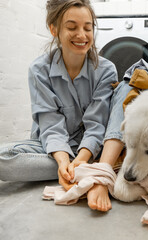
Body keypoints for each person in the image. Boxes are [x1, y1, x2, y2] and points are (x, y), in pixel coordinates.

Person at [0, 0, 124, 212]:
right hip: (52, 148)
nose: (82, 35)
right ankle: (95, 169)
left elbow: (96, 124)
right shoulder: (39, 69)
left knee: (126, 90)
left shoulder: (106, 70)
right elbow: (50, 125)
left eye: (88, 27)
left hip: (92, 146)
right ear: (54, 29)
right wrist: (63, 162)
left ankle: (90, 166)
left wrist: (82, 157)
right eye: (72, 27)